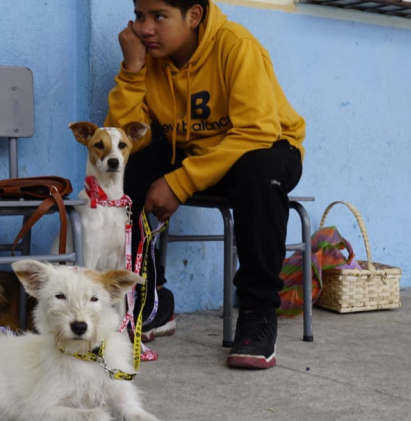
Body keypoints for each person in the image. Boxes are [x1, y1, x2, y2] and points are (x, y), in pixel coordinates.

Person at [105, 0, 306, 369]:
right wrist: (132, 71)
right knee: (124, 171)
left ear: (194, 16)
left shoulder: (236, 46)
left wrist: (181, 182)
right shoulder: (149, 58)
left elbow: (256, 131)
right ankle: (151, 300)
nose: (145, 28)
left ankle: (258, 312)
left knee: (260, 172)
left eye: (158, 17)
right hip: (198, 153)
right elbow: (128, 140)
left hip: (266, 147)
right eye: (139, 16)